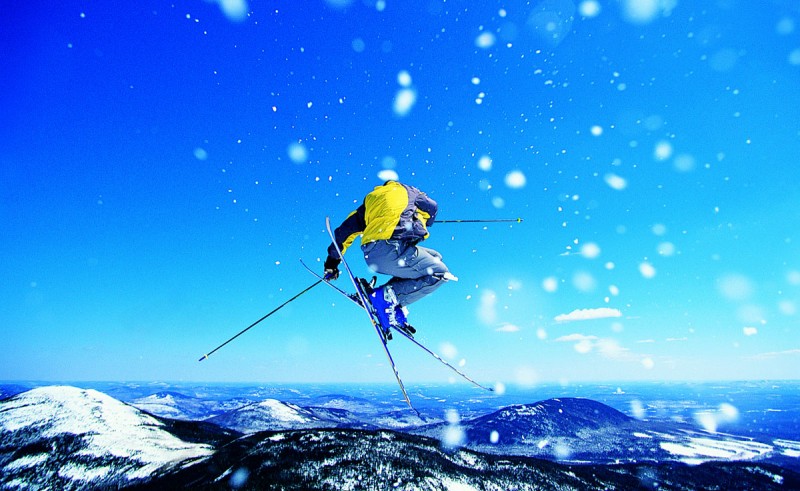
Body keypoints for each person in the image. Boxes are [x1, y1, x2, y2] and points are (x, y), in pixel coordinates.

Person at [324, 180, 454, 336]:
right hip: (393, 249)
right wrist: (423, 220)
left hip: (372, 254)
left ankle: (390, 301)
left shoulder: (371, 200)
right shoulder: (411, 192)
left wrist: (332, 262)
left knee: (435, 257)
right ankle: (384, 298)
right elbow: (432, 207)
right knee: (440, 273)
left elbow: (344, 232)